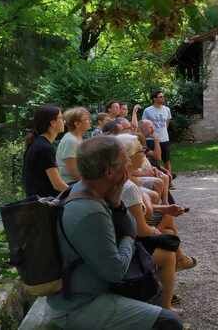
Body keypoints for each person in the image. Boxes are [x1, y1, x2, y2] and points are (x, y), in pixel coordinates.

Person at [46, 136, 183, 330]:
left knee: (153, 290)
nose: (129, 164)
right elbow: (116, 271)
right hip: (80, 305)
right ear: (110, 171)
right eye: (125, 161)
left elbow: (128, 224)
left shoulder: (88, 190)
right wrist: (128, 235)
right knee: (169, 323)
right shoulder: (90, 211)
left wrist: (117, 203)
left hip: (88, 291)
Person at [115, 134, 183, 311]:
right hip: (125, 244)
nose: (145, 153)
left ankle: (159, 289)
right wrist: (157, 231)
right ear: (128, 158)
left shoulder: (122, 178)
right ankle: (165, 306)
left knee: (169, 231)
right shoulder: (127, 186)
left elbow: (135, 210)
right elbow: (141, 230)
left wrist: (164, 210)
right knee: (168, 245)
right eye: (141, 150)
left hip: (123, 236)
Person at [22, 105, 69, 197]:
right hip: (45, 206)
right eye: (61, 118)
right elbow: (58, 185)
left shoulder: (38, 143)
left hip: (38, 203)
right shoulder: (44, 148)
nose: (64, 121)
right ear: (52, 123)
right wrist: (80, 195)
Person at [56, 107, 91, 184]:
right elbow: (74, 172)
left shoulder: (77, 137)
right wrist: (90, 185)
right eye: (86, 119)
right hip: (71, 184)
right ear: (77, 124)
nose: (89, 121)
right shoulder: (71, 141)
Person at [143, 91, 173, 176]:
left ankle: (170, 181)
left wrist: (162, 131)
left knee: (167, 160)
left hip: (164, 138)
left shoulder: (167, 109)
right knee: (154, 161)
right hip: (151, 139)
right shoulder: (148, 110)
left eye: (163, 96)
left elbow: (167, 121)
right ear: (154, 99)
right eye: (160, 97)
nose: (163, 98)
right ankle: (156, 178)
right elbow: (144, 124)